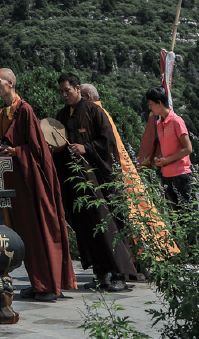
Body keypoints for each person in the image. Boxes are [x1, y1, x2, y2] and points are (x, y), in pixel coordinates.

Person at [0, 68, 77, 300]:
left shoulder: (25, 110)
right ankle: (37, 282)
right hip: (17, 182)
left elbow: (38, 150)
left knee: (39, 231)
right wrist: (3, 149)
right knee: (26, 234)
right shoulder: (3, 113)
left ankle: (49, 285)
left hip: (34, 181)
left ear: (11, 82)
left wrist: (15, 150)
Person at [53, 73, 137, 291]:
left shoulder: (94, 111)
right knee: (86, 227)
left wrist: (86, 147)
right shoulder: (61, 116)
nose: (64, 95)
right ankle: (101, 273)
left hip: (98, 178)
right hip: (75, 181)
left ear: (78, 88)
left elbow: (107, 141)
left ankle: (120, 274)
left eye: (67, 90)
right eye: (61, 91)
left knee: (107, 224)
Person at [81, 84, 174, 261]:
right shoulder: (100, 112)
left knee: (131, 215)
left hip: (117, 171)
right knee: (139, 212)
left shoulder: (96, 113)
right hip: (123, 169)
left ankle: (146, 257)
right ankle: (153, 255)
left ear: (87, 96)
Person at [144, 87, 194, 210]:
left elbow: (188, 148)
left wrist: (167, 160)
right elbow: (168, 148)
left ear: (159, 103)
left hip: (181, 174)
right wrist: (161, 158)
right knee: (174, 219)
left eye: (151, 104)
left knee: (189, 215)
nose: (150, 107)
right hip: (167, 175)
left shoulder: (177, 121)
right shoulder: (158, 123)